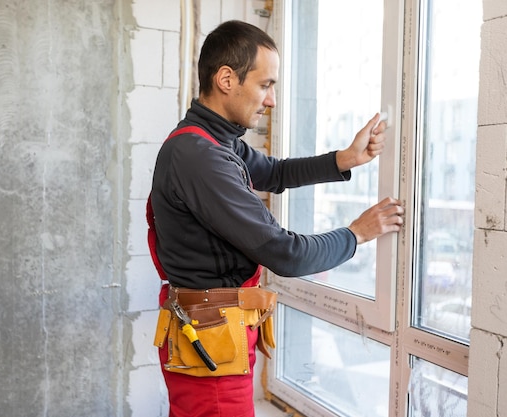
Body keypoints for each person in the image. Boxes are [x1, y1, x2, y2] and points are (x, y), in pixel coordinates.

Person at [149, 19, 403, 417]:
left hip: (214, 337)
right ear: (227, 79)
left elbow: (277, 172)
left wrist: (346, 159)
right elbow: (286, 254)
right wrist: (357, 233)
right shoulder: (201, 157)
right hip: (209, 343)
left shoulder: (214, 141)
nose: (271, 100)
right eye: (265, 85)